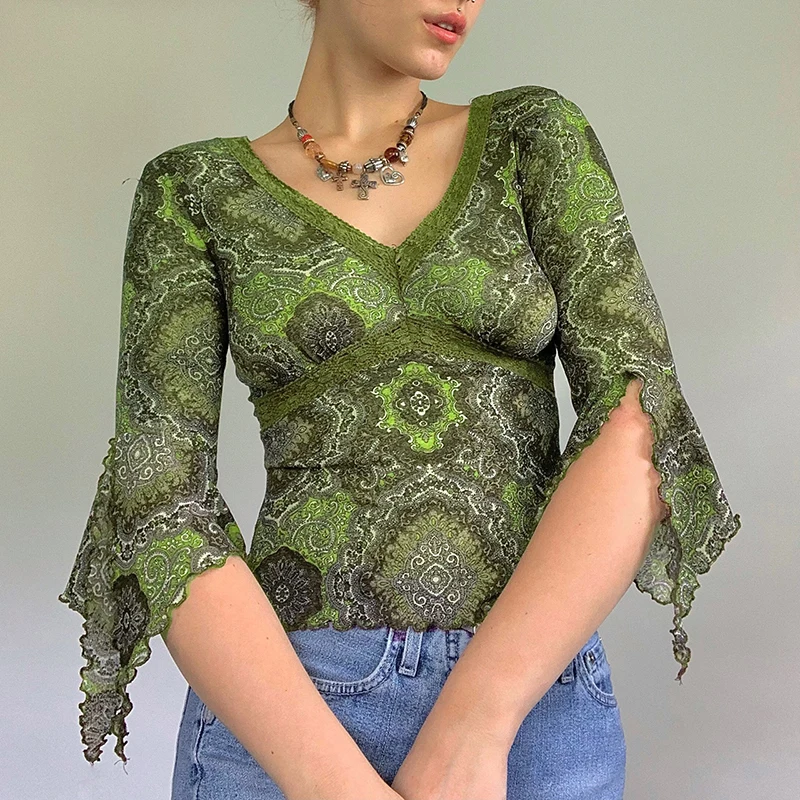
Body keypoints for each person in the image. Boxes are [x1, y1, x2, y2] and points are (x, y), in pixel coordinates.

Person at [58, 0, 742, 798]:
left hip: (531, 704)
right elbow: (158, 499)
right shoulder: (194, 190)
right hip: (288, 712)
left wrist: (477, 726)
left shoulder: (532, 138)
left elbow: (639, 417)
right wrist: (335, 785)